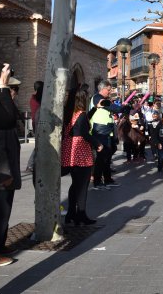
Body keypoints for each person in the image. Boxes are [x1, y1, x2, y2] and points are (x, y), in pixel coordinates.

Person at [0, 63, 23, 267]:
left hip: (4, 168)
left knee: (3, 211)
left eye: (14, 90)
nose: (14, 93)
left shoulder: (5, 106)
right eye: (12, 89)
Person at [61, 90, 102, 226]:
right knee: (83, 186)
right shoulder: (82, 115)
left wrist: (95, 109)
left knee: (75, 185)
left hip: (70, 153)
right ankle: (81, 215)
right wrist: (97, 144)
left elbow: (81, 123)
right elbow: (84, 132)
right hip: (81, 153)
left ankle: (71, 214)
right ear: (84, 100)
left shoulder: (70, 114)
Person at [88, 80, 123, 190]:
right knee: (102, 158)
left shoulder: (102, 98)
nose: (110, 91)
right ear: (102, 89)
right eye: (109, 89)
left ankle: (107, 179)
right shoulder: (97, 98)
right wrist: (120, 108)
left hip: (106, 131)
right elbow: (110, 107)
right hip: (99, 132)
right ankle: (97, 182)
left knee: (107, 157)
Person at [25, 81, 43, 172]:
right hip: (38, 124)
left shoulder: (34, 98)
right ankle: (30, 165)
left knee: (40, 146)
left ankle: (33, 164)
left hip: (37, 124)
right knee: (39, 146)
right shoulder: (36, 99)